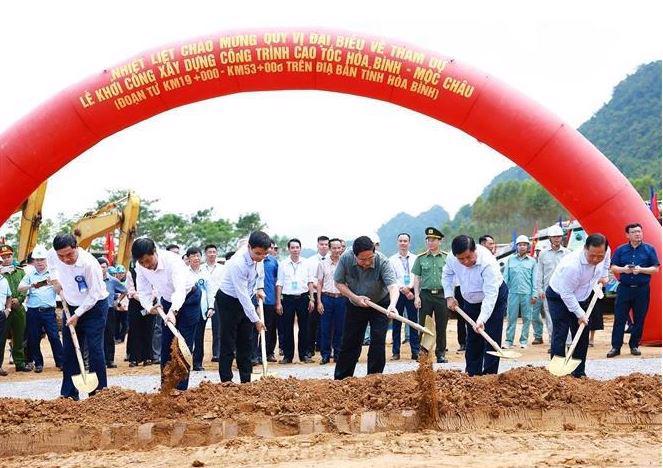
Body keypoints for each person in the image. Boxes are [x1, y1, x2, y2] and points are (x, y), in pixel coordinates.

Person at [133, 237, 200, 391]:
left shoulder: (173, 261)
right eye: (142, 263)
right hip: (167, 300)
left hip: (189, 298)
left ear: (154, 252)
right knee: (166, 345)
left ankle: (180, 390)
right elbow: (143, 290)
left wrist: (173, 311)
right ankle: (166, 388)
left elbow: (180, 290)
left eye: (148, 261)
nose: (146, 266)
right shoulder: (140, 266)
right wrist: (149, 307)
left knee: (182, 345)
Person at [47, 233, 109, 399]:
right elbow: (51, 266)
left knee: (95, 349)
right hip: (71, 305)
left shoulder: (89, 264)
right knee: (69, 350)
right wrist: (55, 280)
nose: (66, 259)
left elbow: (94, 294)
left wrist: (78, 314)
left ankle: (98, 393)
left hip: (94, 307)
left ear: (76, 247)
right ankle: (69, 393)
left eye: (69, 254)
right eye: (62, 256)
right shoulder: (53, 255)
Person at [333, 236, 399, 379]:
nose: (367, 262)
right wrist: (355, 297)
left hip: (380, 304)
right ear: (354, 255)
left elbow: (393, 286)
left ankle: (374, 379)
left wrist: (392, 306)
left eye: (370, 257)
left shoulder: (382, 261)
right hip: (355, 304)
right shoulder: (346, 259)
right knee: (350, 341)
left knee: (378, 340)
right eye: (362, 260)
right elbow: (338, 283)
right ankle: (342, 379)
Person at [442, 235, 508, 376]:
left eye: (469, 257)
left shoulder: (487, 262)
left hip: (494, 298)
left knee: (491, 335)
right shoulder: (451, 259)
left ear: (475, 250)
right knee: (473, 336)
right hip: (470, 300)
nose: (465, 262)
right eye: (461, 259)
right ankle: (472, 374)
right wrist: (449, 296)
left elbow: (491, 295)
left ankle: (489, 376)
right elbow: (447, 275)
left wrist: (482, 319)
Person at [547, 234, 610, 378]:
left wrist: (604, 275)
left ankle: (579, 372)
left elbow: (606, 261)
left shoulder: (604, 252)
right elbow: (566, 294)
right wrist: (580, 314)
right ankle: (557, 374)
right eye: (592, 256)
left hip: (582, 295)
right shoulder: (572, 266)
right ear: (585, 249)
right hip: (559, 297)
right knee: (560, 332)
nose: (595, 259)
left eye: (599, 256)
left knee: (582, 333)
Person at [216, 231, 269, 383]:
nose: (260, 257)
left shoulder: (260, 257)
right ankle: (226, 381)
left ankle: (246, 379)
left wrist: (260, 288)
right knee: (228, 340)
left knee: (246, 340)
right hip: (229, 300)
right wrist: (256, 319)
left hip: (247, 297)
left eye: (264, 254)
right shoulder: (237, 263)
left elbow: (260, 274)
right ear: (249, 247)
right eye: (257, 253)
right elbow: (242, 295)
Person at [608, 223, 660, 357]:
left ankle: (634, 345)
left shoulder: (649, 249)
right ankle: (616, 347)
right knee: (619, 318)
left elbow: (656, 268)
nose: (637, 234)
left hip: (641, 290)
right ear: (627, 235)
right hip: (624, 289)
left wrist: (641, 270)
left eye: (639, 231)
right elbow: (613, 267)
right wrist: (624, 269)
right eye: (634, 232)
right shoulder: (621, 250)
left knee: (639, 318)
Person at [17, 245, 63, 373]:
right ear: (33, 262)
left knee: (54, 336)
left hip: (48, 312)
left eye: (42, 259)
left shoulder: (53, 274)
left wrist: (53, 282)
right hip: (33, 312)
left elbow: (59, 290)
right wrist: (32, 285)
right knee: (34, 338)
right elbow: (20, 288)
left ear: (46, 260)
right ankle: (38, 363)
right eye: (37, 260)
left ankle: (61, 362)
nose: (39, 262)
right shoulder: (30, 275)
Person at [412, 227, 449, 363]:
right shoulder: (421, 258)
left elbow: (452, 277)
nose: (430, 242)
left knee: (441, 325)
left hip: (442, 295)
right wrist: (416, 296)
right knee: (423, 325)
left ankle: (440, 354)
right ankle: (423, 353)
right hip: (425, 295)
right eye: (428, 240)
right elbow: (417, 278)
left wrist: (451, 296)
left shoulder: (446, 258)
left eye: (433, 240)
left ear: (440, 241)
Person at [275, 239, 314, 364]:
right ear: (289, 249)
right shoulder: (283, 264)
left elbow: (310, 282)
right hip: (288, 299)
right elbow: (279, 283)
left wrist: (312, 299)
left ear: (300, 249)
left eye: (297, 247)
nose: (295, 250)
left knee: (304, 327)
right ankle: (288, 356)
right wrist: (278, 302)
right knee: (287, 328)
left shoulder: (307, 263)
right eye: (293, 247)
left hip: (303, 297)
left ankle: (304, 355)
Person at [536, 225, 570, 349]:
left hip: (564, 290)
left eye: (559, 237)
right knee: (550, 317)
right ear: (550, 238)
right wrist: (539, 289)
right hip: (548, 291)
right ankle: (553, 342)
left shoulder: (567, 253)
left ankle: (567, 342)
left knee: (566, 316)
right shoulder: (543, 254)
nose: (557, 239)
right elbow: (540, 273)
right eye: (554, 237)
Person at [503, 235, 540, 349]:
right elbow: (505, 277)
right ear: (516, 246)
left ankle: (523, 341)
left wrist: (534, 294)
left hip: (527, 294)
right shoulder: (510, 260)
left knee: (527, 318)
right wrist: (504, 293)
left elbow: (535, 279)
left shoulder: (532, 262)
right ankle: (509, 341)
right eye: (520, 245)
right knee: (511, 317)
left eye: (524, 245)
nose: (522, 247)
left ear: (528, 246)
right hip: (512, 293)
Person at [389, 233, 420, 361]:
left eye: (405, 241)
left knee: (413, 322)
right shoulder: (391, 260)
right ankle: (396, 352)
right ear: (397, 242)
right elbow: (391, 278)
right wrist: (403, 289)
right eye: (400, 241)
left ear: (409, 243)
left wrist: (410, 288)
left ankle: (415, 351)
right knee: (396, 322)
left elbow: (417, 276)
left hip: (412, 292)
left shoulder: (415, 258)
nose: (403, 243)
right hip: (397, 294)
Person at [0, 244, 29, 373]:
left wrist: (19, 299)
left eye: (9, 256)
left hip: (18, 308)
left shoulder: (21, 271)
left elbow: (25, 288)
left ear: (13, 256)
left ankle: (20, 363)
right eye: (3, 257)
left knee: (19, 337)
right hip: (4, 310)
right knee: (1, 338)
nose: (7, 259)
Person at [316, 238, 346, 364]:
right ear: (329, 249)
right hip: (327, 298)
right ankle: (325, 355)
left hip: (341, 298)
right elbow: (319, 283)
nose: (337, 250)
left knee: (340, 328)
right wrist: (319, 301)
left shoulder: (345, 262)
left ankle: (338, 354)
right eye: (334, 248)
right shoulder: (322, 263)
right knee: (325, 328)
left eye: (339, 248)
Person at [187, 247, 216, 371]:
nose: (196, 258)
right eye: (193, 256)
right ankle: (185, 362)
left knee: (199, 337)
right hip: (187, 309)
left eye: (198, 255)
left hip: (202, 309)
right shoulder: (184, 272)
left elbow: (210, 291)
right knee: (187, 337)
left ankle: (198, 362)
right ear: (188, 258)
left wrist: (211, 307)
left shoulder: (205, 273)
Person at [98, 258, 127, 368]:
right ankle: (97, 361)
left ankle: (109, 360)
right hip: (95, 310)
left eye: (104, 267)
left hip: (109, 310)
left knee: (109, 335)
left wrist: (117, 301)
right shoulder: (92, 279)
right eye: (99, 266)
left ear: (107, 267)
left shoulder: (113, 280)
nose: (101, 269)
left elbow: (124, 291)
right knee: (96, 335)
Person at [126, 265, 155, 367]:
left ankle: (148, 357)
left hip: (150, 304)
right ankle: (134, 358)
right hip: (135, 304)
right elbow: (131, 291)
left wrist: (150, 301)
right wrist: (143, 300)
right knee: (135, 331)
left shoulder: (152, 271)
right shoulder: (131, 273)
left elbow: (155, 288)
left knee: (148, 330)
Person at [305, 236, 329, 359]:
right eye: (321, 244)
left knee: (328, 323)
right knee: (312, 323)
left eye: (326, 244)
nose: (324, 246)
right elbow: (309, 278)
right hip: (314, 293)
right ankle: (310, 349)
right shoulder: (310, 261)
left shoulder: (333, 260)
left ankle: (326, 348)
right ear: (317, 245)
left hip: (328, 294)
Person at [202, 244, 224, 363]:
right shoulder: (200, 268)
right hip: (202, 300)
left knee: (218, 327)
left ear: (216, 253)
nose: (211, 254)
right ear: (205, 254)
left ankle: (217, 353)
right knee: (199, 327)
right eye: (209, 252)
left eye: (214, 252)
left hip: (218, 299)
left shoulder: (222, 268)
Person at [259, 241, 279, 362]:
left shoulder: (273, 262)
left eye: (270, 248)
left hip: (270, 299)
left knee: (270, 328)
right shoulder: (255, 260)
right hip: (256, 300)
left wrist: (277, 300)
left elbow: (278, 281)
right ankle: (255, 354)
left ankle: (269, 352)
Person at [0, 270, 12, 376]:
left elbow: (9, 296)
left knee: (1, 341)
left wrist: (8, 309)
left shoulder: (4, 280)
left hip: (1, 314)